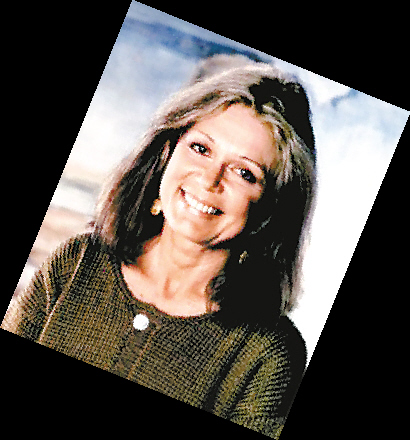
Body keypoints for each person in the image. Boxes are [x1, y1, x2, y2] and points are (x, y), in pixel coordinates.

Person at [2, 55, 316, 438]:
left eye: (244, 172)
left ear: (272, 208)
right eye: (201, 148)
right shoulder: (76, 261)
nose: (210, 179)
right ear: (167, 152)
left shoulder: (268, 354)